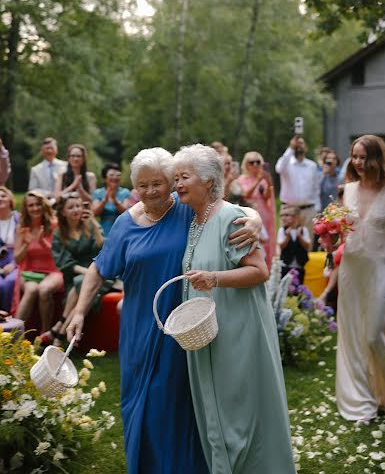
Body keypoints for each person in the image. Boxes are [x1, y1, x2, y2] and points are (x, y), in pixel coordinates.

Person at [66, 147, 259, 474]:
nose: (151, 190)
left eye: (158, 182)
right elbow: (99, 269)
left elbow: (229, 208)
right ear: (134, 188)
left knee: (175, 404)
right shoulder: (126, 224)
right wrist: (80, 312)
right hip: (140, 327)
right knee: (138, 402)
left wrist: (253, 219)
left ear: (171, 182)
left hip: (183, 325)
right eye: (143, 185)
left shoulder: (187, 211)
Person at [173, 144, 295, 474]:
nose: (177, 184)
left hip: (237, 332)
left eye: (184, 177)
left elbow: (260, 271)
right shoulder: (194, 221)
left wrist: (214, 277)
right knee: (218, 416)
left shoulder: (229, 217)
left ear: (210, 181)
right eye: (176, 178)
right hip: (205, 334)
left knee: (239, 413)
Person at [336, 134, 385, 424]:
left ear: (377, 158)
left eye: (364, 157)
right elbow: (340, 232)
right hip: (352, 270)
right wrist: (328, 238)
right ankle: (363, 400)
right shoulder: (346, 191)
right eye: (355, 156)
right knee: (353, 334)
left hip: (381, 268)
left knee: (375, 334)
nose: (358, 162)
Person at [40, 192, 104, 346]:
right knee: (80, 282)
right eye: (71, 207)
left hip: (99, 273)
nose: (76, 209)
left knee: (81, 282)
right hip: (75, 275)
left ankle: (59, 333)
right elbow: (64, 262)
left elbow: (102, 247)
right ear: (63, 212)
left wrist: (94, 223)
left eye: (78, 206)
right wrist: (88, 273)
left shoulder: (90, 225)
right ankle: (60, 335)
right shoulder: (59, 234)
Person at [12, 192, 63, 332]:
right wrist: (26, 244)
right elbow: (17, 258)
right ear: (26, 208)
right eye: (31, 205)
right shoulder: (22, 227)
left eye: (38, 204)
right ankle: (13, 336)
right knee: (31, 289)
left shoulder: (54, 224)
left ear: (43, 205)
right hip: (29, 271)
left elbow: (59, 255)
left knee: (44, 290)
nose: (35, 208)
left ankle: (45, 334)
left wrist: (42, 242)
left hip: (53, 270)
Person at [275, 135, 320, 243]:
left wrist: (317, 209)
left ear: (306, 148)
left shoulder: (312, 166)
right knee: (287, 244)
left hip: (308, 211)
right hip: (289, 210)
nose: (299, 146)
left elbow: (315, 188)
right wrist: (291, 148)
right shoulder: (286, 163)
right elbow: (279, 168)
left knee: (307, 244)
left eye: (301, 143)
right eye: (297, 143)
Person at [237, 151, 276, 267]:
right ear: (246, 165)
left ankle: (267, 268)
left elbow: (267, 196)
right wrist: (258, 180)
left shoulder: (263, 180)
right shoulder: (241, 180)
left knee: (266, 241)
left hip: (264, 214)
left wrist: (268, 182)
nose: (255, 165)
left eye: (257, 162)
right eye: (251, 162)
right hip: (250, 213)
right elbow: (245, 195)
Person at [92, 163, 130, 237]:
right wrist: (104, 200)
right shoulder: (98, 193)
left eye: (117, 175)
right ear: (105, 178)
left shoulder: (125, 192)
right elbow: (95, 213)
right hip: (103, 229)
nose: (115, 177)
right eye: (111, 175)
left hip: (121, 228)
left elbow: (125, 212)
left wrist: (115, 200)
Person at [277, 205, 310, 284]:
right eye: (282, 215)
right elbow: (281, 246)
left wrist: (300, 236)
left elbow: (307, 245)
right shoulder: (282, 230)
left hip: (299, 265)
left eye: (287, 215)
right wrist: (287, 237)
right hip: (286, 265)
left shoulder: (303, 230)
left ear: (296, 217)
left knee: (298, 286)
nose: (284, 218)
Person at [0, 187, 19, 312]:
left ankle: (7, 317)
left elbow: (26, 245)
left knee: (11, 281)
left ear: (10, 200)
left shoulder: (20, 219)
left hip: (16, 260)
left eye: (3, 196)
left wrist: (13, 264)